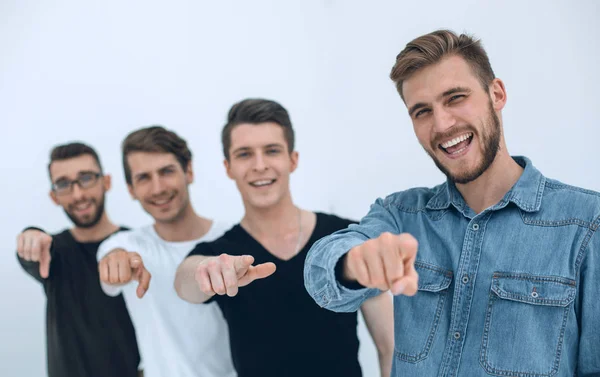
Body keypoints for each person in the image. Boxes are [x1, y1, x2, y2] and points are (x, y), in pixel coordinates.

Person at [303, 29, 600, 376]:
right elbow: (321, 278)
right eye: (422, 111)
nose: (442, 124)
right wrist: (353, 263)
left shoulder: (586, 224)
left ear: (497, 94)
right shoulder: (400, 216)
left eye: (455, 97)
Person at [174, 98, 394, 377]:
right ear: (228, 167)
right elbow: (184, 280)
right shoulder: (222, 254)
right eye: (244, 154)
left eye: (272, 151)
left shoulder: (346, 238)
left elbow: (390, 348)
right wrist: (207, 271)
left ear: (292, 160)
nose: (259, 165)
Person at [96, 126, 236, 377]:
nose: (158, 188)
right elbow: (111, 259)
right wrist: (119, 261)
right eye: (144, 178)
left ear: (189, 171)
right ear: (131, 189)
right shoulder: (125, 245)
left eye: (166, 171)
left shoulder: (233, 239)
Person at [16, 142, 141, 377]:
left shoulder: (137, 246)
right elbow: (31, 256)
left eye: (86, 178)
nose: (78, 194)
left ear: (106, 182)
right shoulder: (53, 254)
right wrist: (31, 234)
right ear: (54, 197)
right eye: (64, 184)